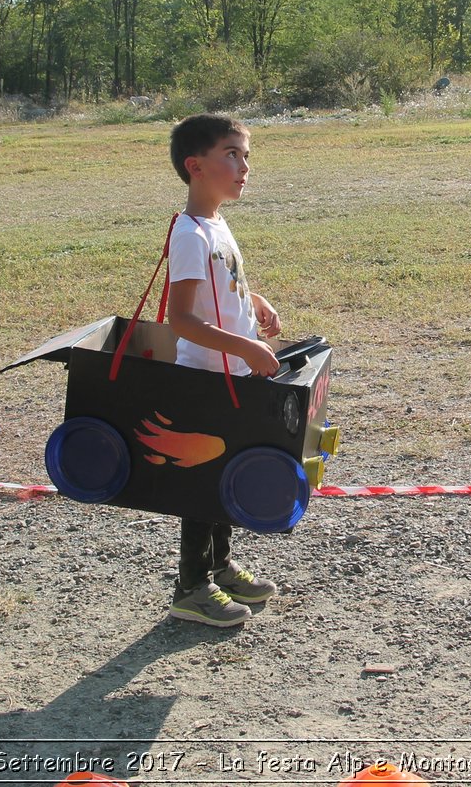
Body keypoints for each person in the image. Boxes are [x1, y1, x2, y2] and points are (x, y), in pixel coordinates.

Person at [163, 114, 283, 627]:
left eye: (246, 155)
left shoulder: (215, 223)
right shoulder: (188, 232)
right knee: (203, 484)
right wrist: (247, 349)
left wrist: (253, 300)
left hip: (231, 375)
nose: (244, 166)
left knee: (224, 474)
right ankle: (192, 587)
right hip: (206, 378)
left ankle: (220, 564)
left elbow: (222, 284)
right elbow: (181, 319)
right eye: (232, 154)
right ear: (196, 166)